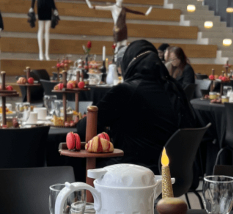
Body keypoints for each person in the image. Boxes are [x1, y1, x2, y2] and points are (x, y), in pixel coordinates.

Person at [76, 40, 197, 174]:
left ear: (128, 63)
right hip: (177, 174)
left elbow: (85, 128)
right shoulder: (175, 89)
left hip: (136, 175)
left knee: (78, 156)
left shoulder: (126, 91)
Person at [86, 0, 151, 54]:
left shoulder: (124, 8)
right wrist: (91, 6)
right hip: (117, 29)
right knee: (117, 46)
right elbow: (102, 8)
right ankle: (117, 61)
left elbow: (134, 11)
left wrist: (144, 13)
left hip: (124, 29)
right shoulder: (113, 7)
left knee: (124, 46)